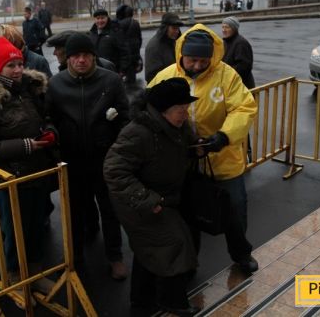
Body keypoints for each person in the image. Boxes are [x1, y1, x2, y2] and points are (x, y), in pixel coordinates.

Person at [148, 24, 259, 274]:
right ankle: (190, 262)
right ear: (181, 55)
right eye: (192, 60)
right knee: (188, 216)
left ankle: (241, 254)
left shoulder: (227, 76)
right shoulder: (166, 76)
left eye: (203, 61)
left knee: (235, 210)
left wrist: (224, 136)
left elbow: (244, 108)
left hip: (224, 158)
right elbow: (148, 108)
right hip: (184, 162)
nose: (197, 66)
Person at [0, 36, 56, 305]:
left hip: (36, 171)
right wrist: (26, 146)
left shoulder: (27, 89)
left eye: (19, 64)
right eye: (10, 66)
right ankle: (16, 279)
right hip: (10, 177)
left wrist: (49, 131)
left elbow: (44, 118)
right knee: (15, 232)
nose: (17, 70)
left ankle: (34, 273)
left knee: (36, 227)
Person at [104, 78, 200, 316]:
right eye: (180, 109)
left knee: (149, 249)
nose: (185, 114)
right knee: (172, 243)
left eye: (186, 108)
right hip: (137, 201)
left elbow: (186, 143)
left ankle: (142, 302)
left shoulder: (177, 125)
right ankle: (171, 300)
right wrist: (146, 199)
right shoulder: (138, 132)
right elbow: (114, 170)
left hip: (162, 196)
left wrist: (200, 146)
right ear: (163, 110)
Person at [45, 32, 129, 279]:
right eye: (75, 56)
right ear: (68, 58)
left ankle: (115, 256)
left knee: (110, 210)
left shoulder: (111, 81)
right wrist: (52, 137)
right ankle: (75, 258)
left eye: (86, 55)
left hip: (105, 158)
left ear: (93, 56)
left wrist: (118, 150)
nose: (81, 60)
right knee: (74, 212)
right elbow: (49, 118)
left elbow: (125, 117)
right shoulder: (56, 84)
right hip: (72, 161)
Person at [46, 31, 116, 73]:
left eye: (57, 48)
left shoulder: (106, 67)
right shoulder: (62, 74)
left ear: (68, 50)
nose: (54, 53)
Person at [144, 12, 184, 83]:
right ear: (165, 28)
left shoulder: (173, 41)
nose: (177, 31)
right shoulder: (154, 47)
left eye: (178, 28)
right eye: (174, 28)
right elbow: (151, 76)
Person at [88, 9, 129, 76]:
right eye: (98, 18)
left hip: (112, 71)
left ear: (107, 18)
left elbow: (125, 52)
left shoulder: (116, 31)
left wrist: (122, 70)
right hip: (96, 72)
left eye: (102, 18)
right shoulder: (92, 33)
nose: (100, 21)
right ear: (94, 20)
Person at [221, 17, 255, 90]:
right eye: (223, 27)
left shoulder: (241, 43)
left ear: (234, 29)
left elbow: (244, 66)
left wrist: (225, 73)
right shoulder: (225, 42)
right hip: (230, 84)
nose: (224, 30)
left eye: (227, 27)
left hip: (242, 86)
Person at [115, 4, 142, 85]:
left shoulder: (120, 23)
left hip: (127, 51)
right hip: (135, 50)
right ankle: (132, 84)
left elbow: (118, 39)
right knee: (132, 71)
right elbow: (139, 38)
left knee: (126, 70)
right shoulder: (136, 23)